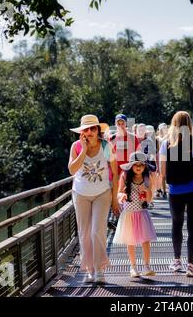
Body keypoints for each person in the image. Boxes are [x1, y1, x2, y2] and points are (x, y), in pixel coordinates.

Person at [68, 114, 120, 284]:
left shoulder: (106, 146)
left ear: (98, 130)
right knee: (84, 233)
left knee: (97, 231)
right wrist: (83, 150)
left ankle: (99, 269)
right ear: (81, 132)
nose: (89, 132)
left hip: (102, 193)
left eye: (93, 128)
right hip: (81, 194)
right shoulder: (75, 147)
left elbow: (115, 172)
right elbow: (72, 169)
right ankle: (89, 270)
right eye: (86, 129)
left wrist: (114, 199)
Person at [159, 111, 193, 277]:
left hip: (175, 190)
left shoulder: (166, 143)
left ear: (173, 123)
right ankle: (191, 265)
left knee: (176, 224)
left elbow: (162, 172)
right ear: (189, 124)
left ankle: (176, 262)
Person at [113, 151, 157, 278]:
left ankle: (147, 266)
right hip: (129, 214)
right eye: (135, 164)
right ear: (131, 166)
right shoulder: (125, 176)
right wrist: (122, 196)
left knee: (146, 240)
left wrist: (147, 190)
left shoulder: (147, 178)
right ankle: (133, 267)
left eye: (141, 165)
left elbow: (149, 200)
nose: (138, 167)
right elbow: (119, 192)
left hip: (142, 213)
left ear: (145, 166)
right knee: (130, 241)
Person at [156, 123, 169, 198]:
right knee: (162, 175)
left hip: (169, 156)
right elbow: (158, 148)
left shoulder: (169, 137)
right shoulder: (157, 138)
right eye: (162, 128)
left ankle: (166, 190)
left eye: (165, 128)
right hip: (161, 156)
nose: (164, 129)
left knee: (168, 174)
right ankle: (163, 191)